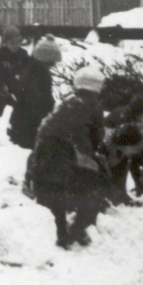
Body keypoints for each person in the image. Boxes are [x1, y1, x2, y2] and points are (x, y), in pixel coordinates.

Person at [29, 66, 107, 249]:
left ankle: (62, 233)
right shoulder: (93, 105)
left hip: (45, 150)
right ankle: (78, 228)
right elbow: (95, 136)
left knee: (56, 192)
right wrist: (94, 156)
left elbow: (46, 127)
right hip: (67, 152)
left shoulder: (67, 101)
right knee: (93, 187)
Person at [8, 34, 60, 150]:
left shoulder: (31, 69)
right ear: (46, 59)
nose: (54, 64)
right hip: (30, 125)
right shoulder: (40, 74)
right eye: (52, 61)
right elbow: (39, 101)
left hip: (22, 123)